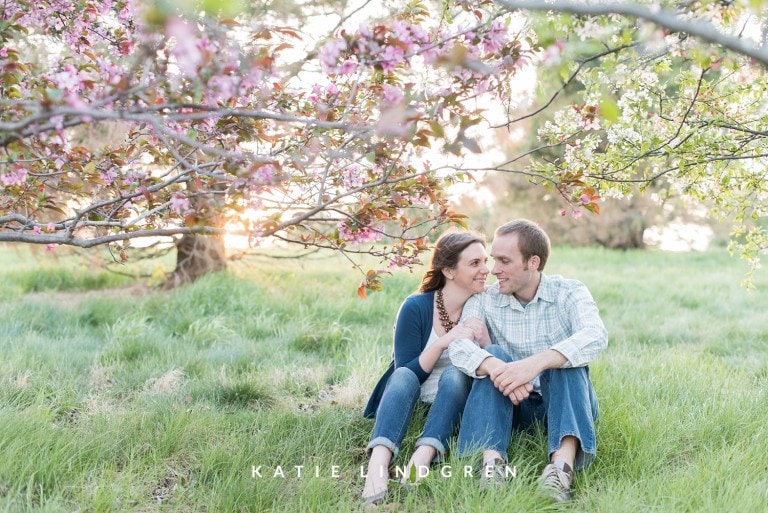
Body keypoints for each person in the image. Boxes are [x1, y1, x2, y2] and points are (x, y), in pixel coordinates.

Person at [448, 219, 608, 502]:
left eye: (504, 261)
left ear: (532, 262)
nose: (493, 269)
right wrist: (500, 369)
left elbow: (595, 335)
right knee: (492, 356)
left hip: (564, 403)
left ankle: (560, 469)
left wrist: (535, 363)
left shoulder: (568, 292)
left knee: (564, 358)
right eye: (493, 259)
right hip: (512, 404)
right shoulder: (485, 298)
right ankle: (492, 466)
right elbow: (459, 347)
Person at [361, 231, 490, 506]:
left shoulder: (483, 306)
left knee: (455, 374)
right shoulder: (415, 307)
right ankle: (378, 462)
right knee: (403, 373)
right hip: (411, 391)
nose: (485, 270)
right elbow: (407, 369)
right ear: (448, 270)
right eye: (475, 263)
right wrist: (444, 341)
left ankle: (424, 456)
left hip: (454, 395)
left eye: (485, 261)